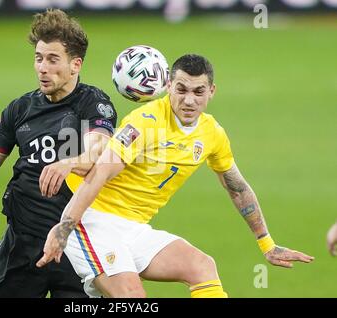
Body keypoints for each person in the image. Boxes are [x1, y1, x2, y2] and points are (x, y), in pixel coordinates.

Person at [36, 54, 314, 298]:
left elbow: (238, 188)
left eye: (198, 91)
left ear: (211, 91)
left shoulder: (212, 133)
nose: (189, 100)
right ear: (169, 86)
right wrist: (64, 228)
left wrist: (267, 244)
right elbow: (98, 175)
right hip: (91, 222)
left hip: (134, 228)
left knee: (202, 267)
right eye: (181, 89)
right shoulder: (144, 122)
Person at [0, 9, 117, 298]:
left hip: (76, 243)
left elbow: (99, 151)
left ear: (75, 64)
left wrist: (69, 164)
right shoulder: (19, 109)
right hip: (24, 243)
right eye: (38, 58)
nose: (42, 68)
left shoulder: (93, 105)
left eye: (52, 59)